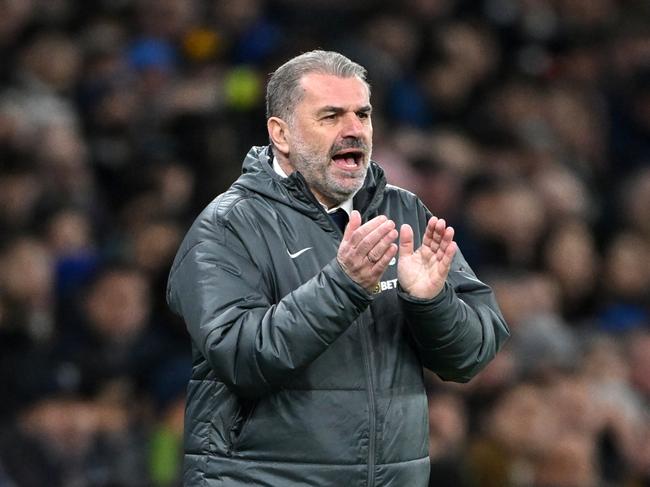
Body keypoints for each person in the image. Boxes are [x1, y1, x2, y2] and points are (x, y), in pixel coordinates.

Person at [166, 50, 509, 487]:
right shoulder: (230, 225)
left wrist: (430, 302)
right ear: (282, 134)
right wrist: (343, 286)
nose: (354, 130)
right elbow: (240, 358)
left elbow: (471, 356)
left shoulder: (404, 211)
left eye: (362, 114)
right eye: (330, 116)